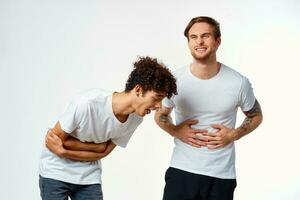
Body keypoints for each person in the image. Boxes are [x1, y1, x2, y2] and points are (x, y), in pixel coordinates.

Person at [39, 56, 177, 200]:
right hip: (55, 173)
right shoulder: (87, 103)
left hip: (89, 177)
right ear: (138, 90)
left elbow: (104, 152)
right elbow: (53, 141)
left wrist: (63, 150)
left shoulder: (136, 118)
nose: (158, 106)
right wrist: (95, 147)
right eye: (156, 98)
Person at [155, 16, 263, 200]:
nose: (199, 41)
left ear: (218, 41)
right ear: (188, 43)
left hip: (221, 175)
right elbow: (160, 115)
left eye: (205, 36)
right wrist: (175, 130)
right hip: (182, 171)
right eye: (193, 37)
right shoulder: (175, 80)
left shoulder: (238, 82)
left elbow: (256, 115)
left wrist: (233, 134)